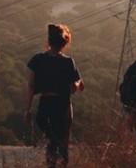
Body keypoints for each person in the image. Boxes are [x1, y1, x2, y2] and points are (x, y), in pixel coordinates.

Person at [23, 24, 85, 168]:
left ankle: (51, 165)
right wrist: (78, 83)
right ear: (65, 43)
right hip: (62, 105)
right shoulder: (68, 62)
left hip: (45, 105)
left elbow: (31, 86)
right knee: (62, 144)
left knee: (52, 141)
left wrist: (28, 110)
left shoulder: (38, 59)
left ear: (49, 41)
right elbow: (74, 89)